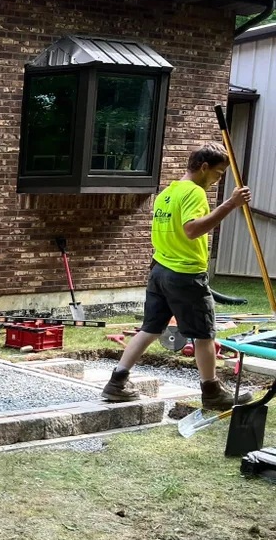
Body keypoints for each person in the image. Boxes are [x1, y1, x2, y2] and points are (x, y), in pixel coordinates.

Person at [102, 142, 252, 410]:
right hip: (184, 274)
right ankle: (212, 393)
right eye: (218, 174)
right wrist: (231, 204)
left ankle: (117, 382)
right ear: (204, 167)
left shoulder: (167, 193)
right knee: (204, 335)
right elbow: (192, 230)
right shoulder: (194, 193)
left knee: (150, 329)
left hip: (159, 270)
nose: (218, 180)